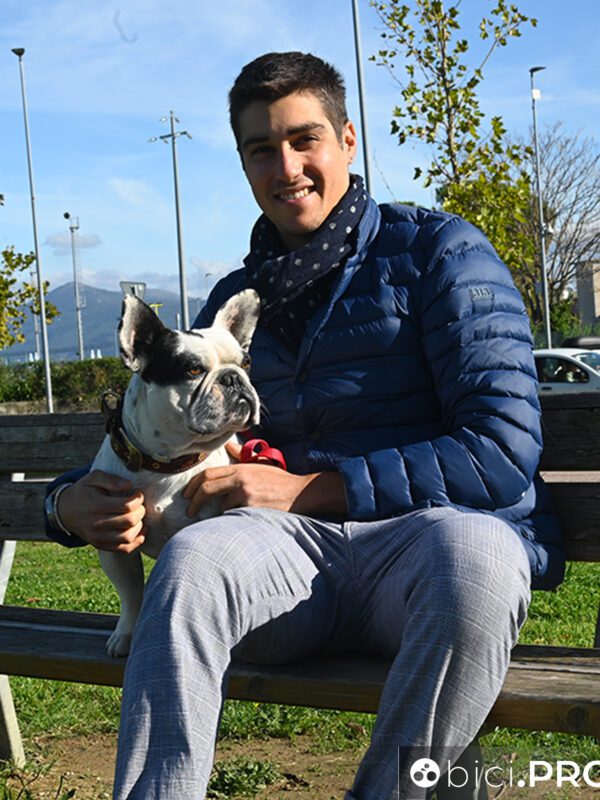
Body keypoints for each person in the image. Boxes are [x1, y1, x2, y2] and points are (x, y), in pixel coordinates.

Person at [45, 52, 564, 800]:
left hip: (424, 545)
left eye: (304, 139)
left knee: (478, 558)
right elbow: (150, 437)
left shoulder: (441, 254)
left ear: (348, 139)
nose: (286, 167)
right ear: (243, 164)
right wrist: (66, 502)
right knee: (191, 564)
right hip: (283, 560)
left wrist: (308, 489)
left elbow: (501, 450)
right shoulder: (234, 303)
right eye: (262, 149)